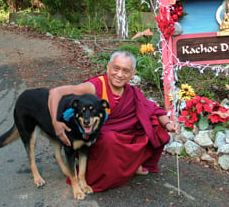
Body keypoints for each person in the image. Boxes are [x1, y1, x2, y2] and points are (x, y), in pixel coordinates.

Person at [48, 50, 179, 191]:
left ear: (133, 73)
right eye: (116, 69)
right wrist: (56, 122)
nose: (120, 74)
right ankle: (108, 173)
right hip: (100, 136)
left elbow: (154, 110)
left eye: (126, 71)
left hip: (123, 133)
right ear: (108, 67)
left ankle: (134, 165)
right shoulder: (94, 87)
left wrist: (167, 124)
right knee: (109, 139)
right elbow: (55, 92)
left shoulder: (132, 92)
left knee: (154, 126)